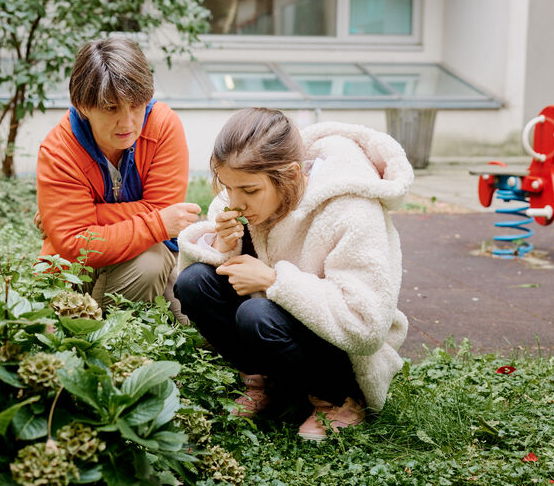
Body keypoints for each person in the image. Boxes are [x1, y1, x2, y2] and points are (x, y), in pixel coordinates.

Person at [173, 108, 413, 441]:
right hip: (273, 329)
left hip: (345, 354)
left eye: (250, 191)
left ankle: (338, 400)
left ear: (291, 174)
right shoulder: (243, 188)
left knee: (256, 313)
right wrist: (222, 244)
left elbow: (366, 325)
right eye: (229, 188)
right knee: (194, 282)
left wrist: (275, 281)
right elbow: (204, 280)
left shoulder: (351, 207)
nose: (236, 203)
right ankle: (263, 383)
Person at [36, 37, 200, 313]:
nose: (127, 122)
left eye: (136, 106)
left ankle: (103, 329)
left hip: (150, 257)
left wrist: (87, 216)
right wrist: (155, 223)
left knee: (155, 266)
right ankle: (98, 333)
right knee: (150, 261)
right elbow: (75, 244)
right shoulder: (58, 151)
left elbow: (163, 208)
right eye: (111, 108)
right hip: (77, 269)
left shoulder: (163, 125)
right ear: (82, 106)